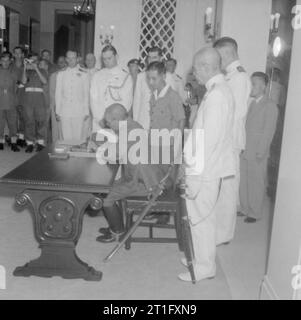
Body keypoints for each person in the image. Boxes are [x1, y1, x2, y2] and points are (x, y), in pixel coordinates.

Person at [179, 47, 235, 282]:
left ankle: (204, 266)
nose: (194, 75)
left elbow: (207, 141)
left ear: (206, 66)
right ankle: (200, 255)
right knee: (201, 217)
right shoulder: (218, 90)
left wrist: (190, 169)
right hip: (208, 167)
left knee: (200, 218)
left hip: (204, 170)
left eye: (195, 69)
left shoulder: (217, 95)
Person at [93, 103, 173, 243]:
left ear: (117, 120)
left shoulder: (128, 132)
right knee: (109, 186)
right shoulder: (132, 125)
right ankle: (115, 223)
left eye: (108, 122)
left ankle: (117, 232)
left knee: (106, 197)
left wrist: (98, 149)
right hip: (142, 176)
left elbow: (116, 154)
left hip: (145, 183)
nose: (108, 125)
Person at [213, 37, 251, 245]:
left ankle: (224, 234)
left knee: (228, 189)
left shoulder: (239, 78)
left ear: (227, 54)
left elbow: (236, 112)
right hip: (224, 140)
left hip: (231, 140)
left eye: (219, 56)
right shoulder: (229, 77)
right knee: (221, 188)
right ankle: (219, 230)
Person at [146, 61, 185, 224]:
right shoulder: (154, 95)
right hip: (155, 144)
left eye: (154, 78)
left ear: (163, 76)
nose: (151, 82)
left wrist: (176, 148)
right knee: (156, 178)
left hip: (168, 146)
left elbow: (181, 121)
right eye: (149, 79)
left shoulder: (172, 96)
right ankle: (158, 209)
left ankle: (165, 213)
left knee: (167, 180)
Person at [240, 72, 278, 223]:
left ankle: (254, 213)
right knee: (244, 182)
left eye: (254, 84)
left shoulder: (270, 105)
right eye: (251, 84)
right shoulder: (252, 103)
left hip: (257, 151)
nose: (251, 87)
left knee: (256, 183)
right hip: (246, 149)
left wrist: (261, 152)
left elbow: (269, 132)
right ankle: (245, 209)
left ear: (263, 86)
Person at [90, 45, 133, 132]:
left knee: (116, 144)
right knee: (99, 144)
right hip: (99, 121)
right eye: (104, 59)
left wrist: (113, 120)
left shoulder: (125, 76)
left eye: (109, 58)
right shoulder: (97, 75)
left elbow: (127, 102)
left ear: (116, 57)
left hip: (117, 122)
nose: (106, 61)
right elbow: (93, 99)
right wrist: (99, 118)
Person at [132, 46, 173, 130]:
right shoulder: (141, 77)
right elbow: (137, 101)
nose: (151, 60)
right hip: (143, 121)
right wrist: (136, 121)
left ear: (161, 58)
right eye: (149, 58)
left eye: (155, 57)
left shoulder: (169, 77)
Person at [55, 50, 90, 141]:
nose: (71, 60)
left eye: (73, 58)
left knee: (78, 137)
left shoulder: (84, 73)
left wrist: (86, 111)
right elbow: (58, 93)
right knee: (66, 137)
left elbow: (86, 94)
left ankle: (76, 155)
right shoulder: (61, 74)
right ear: (66, 59)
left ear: (77, 59)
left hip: (79, 110)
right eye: (68, 58)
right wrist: (57, 111)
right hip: (65, 110)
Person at [21, 52, 48, 152]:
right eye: (31, 60)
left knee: (41, 121)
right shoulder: (26, 71)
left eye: (35, 60)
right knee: (29, 121)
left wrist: (36, 68)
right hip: (28, 99)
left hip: (39, 99)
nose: (33, 62)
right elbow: (23, 82)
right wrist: (24, 67)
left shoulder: (42, 70)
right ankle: (30, 143)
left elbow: (44, 81)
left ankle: (40, 143)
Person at [0, 52, 20, 152]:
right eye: (3, 61)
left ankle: (14, 143)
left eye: (7, 61)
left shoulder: (14, 72)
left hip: (11, 102)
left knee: (13, 123)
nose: (5, 63)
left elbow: (17, 87)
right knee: (0, 124)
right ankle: (1, 142)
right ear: (0, 61)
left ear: (10, 61)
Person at [48, 56, 66, 143]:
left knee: (66, 129)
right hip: (56, 105)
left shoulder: (72, 74)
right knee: (55, 128)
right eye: (60, 62)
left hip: (68, 106)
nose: (62, 63)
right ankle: (55, 146)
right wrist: (54, 106)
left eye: (63, 61)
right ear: (57, 64)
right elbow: (52, 92)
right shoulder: (54, 75)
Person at [11, 46, 26, 147]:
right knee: (12, 117)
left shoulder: (26, 65)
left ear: (22, 54)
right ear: (13, 54)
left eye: (19, 53)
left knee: (23, 116)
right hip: (12, 94)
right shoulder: (9, 66)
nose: (17, 55)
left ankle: (21, 137)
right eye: (15, 53)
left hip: (24, 94)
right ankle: (13, 137)